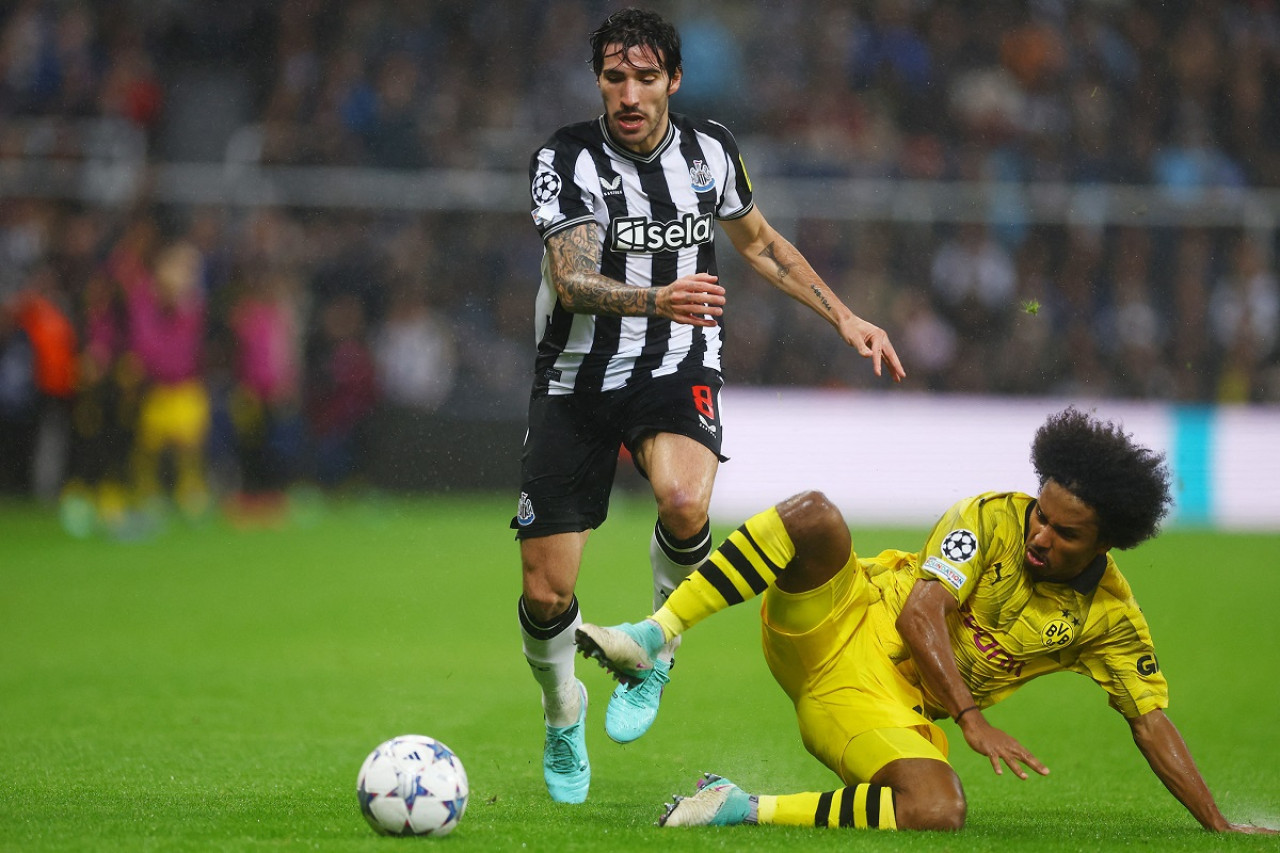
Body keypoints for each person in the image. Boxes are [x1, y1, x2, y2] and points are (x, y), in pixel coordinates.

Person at [515, 8, 905, 805]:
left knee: (687, 498)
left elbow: (759, 242)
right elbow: (571, 277)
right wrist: (661, 295)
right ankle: (564, 709)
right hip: (578, 373)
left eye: (646, 78)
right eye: (615, 78)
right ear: (599, 82)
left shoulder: (710, 151)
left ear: (675, 81)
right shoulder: (565, 159)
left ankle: (656, 646)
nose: (629, 94)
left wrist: (847, 315)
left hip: (676, 357)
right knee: (547, 591)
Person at [576, 408, 1276, 834]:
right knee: (815, 515)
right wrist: (971, 718)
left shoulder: (1111, 619)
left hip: (868, 702)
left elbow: (1150, 719)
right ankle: (656, 636)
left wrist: (1214, 823)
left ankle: (738, 806)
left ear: (1105, 543)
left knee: (938, 808)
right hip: (840, 612)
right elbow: (921, 612)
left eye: (1066, 534)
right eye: (1042, 512)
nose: (1040, 535)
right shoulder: (992, 516)